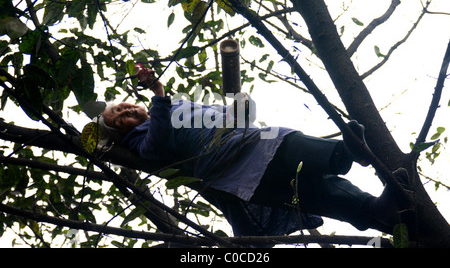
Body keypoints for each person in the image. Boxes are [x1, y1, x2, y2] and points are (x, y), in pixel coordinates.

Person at [97, 67, 405, 242]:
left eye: (122, 105)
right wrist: (158, 95)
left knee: (306, 168)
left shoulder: (173, 107)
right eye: (118, 117)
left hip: (247, 145)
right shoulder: (142, 139)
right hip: (235, 166)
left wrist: (238, 108)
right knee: (300, 164)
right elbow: (157, 144)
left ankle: (377, 205)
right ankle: (351, 166)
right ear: (121, 133)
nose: (125, 110)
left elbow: (220, 118)